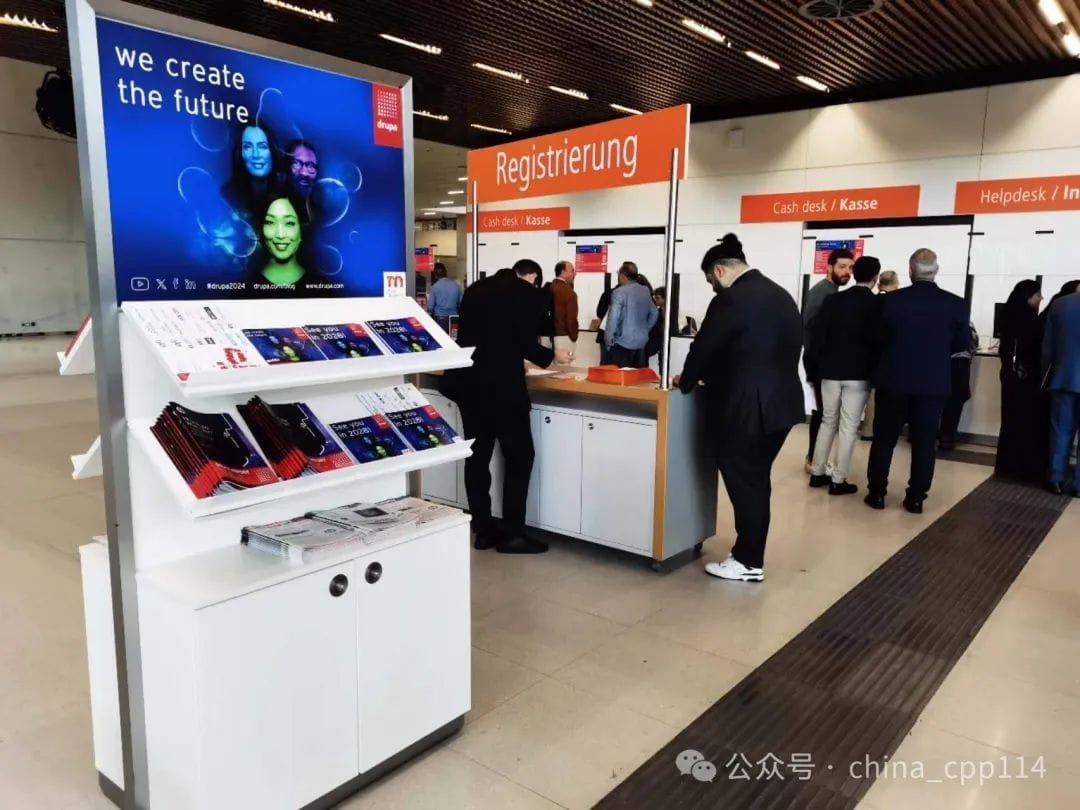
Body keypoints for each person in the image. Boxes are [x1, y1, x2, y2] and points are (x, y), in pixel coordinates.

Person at [675, 234, 803, 582]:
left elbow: (704, 348)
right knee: (756, 481)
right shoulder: (780, 294)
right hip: (783, 405)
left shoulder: (730, 299)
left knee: (745, 482)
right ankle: (749, 554)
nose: (712, 288)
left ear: (719, 270)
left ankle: (748, 561)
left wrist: (686, 381)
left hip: (748, 409)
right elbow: (758, 348)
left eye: (710, 281)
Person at [439, 260, 569, 554]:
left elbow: (478, 337)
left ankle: (483, 530)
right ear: (532, 277)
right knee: (520, 457)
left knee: (477, 458)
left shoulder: (474, 290)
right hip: (503, 389)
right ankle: (513, 534)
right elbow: (525, 342)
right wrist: (553, 357)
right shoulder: (525, 293)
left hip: (469, 386)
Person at [865, 249, 968, 514]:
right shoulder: (956, 304)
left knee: (884, 440)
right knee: (924, 443)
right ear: (936, 270)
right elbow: (961, 345)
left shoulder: (889, 302)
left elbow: (875, 339)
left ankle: (877, 493)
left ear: (910, 271)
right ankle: (916, 498)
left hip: (893, 380)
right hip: (932, 384)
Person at [806, 256, 882, 496]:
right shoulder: (877, 304)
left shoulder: (833, 300)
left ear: (854, 273)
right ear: (875, 278)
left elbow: (818, 335)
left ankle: (817, 473)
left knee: (828, 421)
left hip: (829, 372)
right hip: (859, 375)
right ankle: (838, 479)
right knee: (849, 427)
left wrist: (817, 367)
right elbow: (878, 341)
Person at [803, 249, 855, 473]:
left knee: (825, 413)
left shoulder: (832, 291)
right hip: (818, 363)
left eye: (850, 268)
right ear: (829, 267)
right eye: (842, 267)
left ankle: (815, 458)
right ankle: (813, 459)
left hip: (823, 362)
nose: (847, 272)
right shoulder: (822, 292)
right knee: (823, 414)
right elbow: (810, 328)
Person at [995, 280, 1045, 483]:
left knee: (1009, 420)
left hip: (1009, 376)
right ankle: (1021, 468)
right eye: (1037, 295)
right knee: (1025, 422)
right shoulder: (1030, 320)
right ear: (1027, 297)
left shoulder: (1007, 316)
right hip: (1025, 378)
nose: (1041, 298)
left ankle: (1005, 465)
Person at [1042, 285, 1080, 496]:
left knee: (1060, 430)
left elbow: (1048, 347)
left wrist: (1046, 374)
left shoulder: (1059, 305)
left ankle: (1056, 479)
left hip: (1062, 378)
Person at [221, 125, 279, 224]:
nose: (256, 154)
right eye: (247, 147)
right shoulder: (228, 196)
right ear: (240, 153)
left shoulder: (286, 193)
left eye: (262, 146)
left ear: (272, 151)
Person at [605, 261, 658, 368]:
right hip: (641, 342)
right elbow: (654, 312)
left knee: (620, 375)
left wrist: (608, 339)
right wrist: (645, 329)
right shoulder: (645, 290)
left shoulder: (619, 292)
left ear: (622, 275)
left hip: (622, 342)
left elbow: (613, 318)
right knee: (637, 376)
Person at [937, 321, 979, 451]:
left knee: (933, 400)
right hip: (960, 364)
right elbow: (973, 343)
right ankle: (947, 438)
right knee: (954, 403)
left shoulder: (935, 318)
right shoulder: (964, 320)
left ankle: (923, 434)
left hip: (938, 363)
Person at [548, 260, 579, 363]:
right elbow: (571, 319)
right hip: (564, 336)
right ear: (563, 272)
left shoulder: (548, 287)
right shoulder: (569, 292)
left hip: (548, 335)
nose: (574, 274)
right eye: (572, 271)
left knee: (550, 368)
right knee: (564, 369)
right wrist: (573, 337)